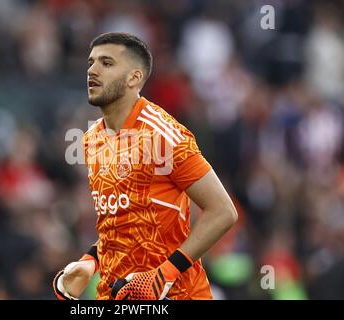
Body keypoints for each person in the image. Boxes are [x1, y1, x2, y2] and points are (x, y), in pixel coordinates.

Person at [53, 32, 238, 300]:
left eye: (106, 63)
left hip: (176, 295)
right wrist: (89, 262)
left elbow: (222, 211)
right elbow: (118, 223)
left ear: (134, 77)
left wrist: (164, 274)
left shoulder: (161, 134)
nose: (92, 70)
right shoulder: (92, 139)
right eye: (91, 62)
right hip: (117, 295)